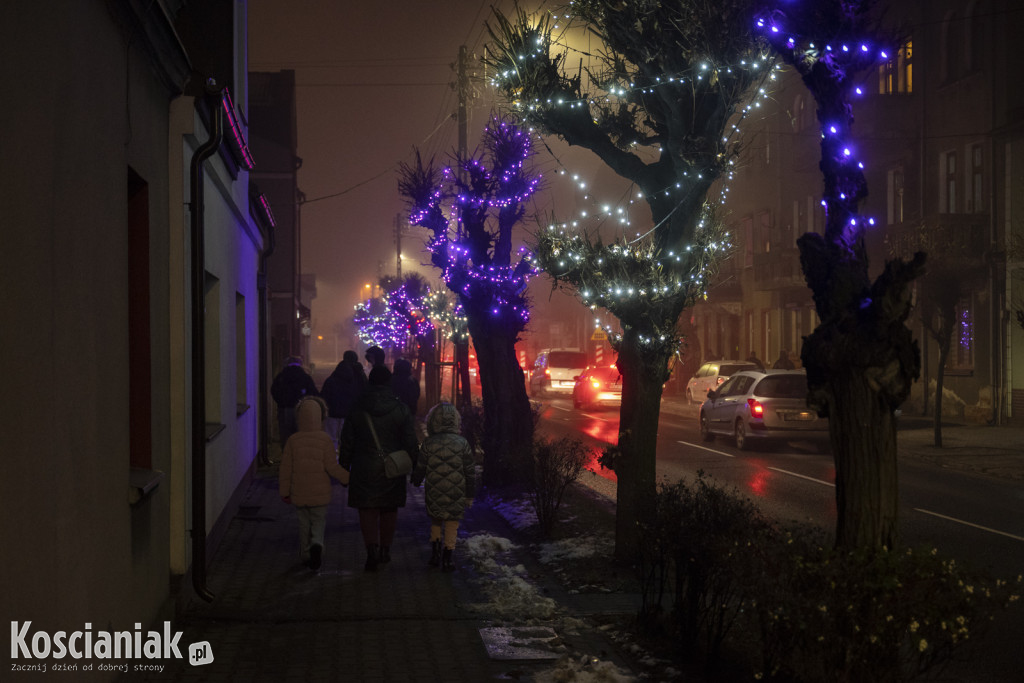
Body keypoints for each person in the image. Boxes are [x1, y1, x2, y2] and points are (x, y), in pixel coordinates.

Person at [338, 365, 420, 571]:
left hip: (363, 466)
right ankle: (385, 550)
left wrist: (344, 467)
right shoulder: (400, 408)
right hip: (392, 467)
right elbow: (410, 441)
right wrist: (417, 465)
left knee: (367, 509)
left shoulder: (357, 407)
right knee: (389, 509)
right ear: (388, 383)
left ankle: (371, 551)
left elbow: (347, 440)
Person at [278, 396, 350, 571]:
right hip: (320, 493)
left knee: (304, 524)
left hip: (299, 491)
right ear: (320, 417)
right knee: (318, 521)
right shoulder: (324, 439)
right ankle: (317, 543)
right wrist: (346, 478)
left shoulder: (293, 441)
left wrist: (284, 491)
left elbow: (285, 468)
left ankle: (305, 554)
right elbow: (332, 466)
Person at [411, 402, 475, 572]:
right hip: (456, 492)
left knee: (436, 520)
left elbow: (421, 466)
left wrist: (416, 480)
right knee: (452, 523)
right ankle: (448, 557)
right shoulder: (462, 443)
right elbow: (469, 472)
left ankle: (435, 553)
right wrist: (469, 495)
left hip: (434, 490)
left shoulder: (429, 443)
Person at [320, 350, 368, 449]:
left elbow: (325, 394)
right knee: (348, 439)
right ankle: (346, 461)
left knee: (331, 438)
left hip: (332, 413)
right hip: (350, 413)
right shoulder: (359, 376)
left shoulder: (335, 376)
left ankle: (332, 459)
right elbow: (363, 393)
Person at [271, 356, 319, 448]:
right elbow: (313, 393)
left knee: (286, 434)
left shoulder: (281, 376)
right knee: (301, 432)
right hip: (302, 409)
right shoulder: (305, 377)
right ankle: (300, 453)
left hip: (284, 408)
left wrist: (281, 402)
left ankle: (287, 454)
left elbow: (274, 391)